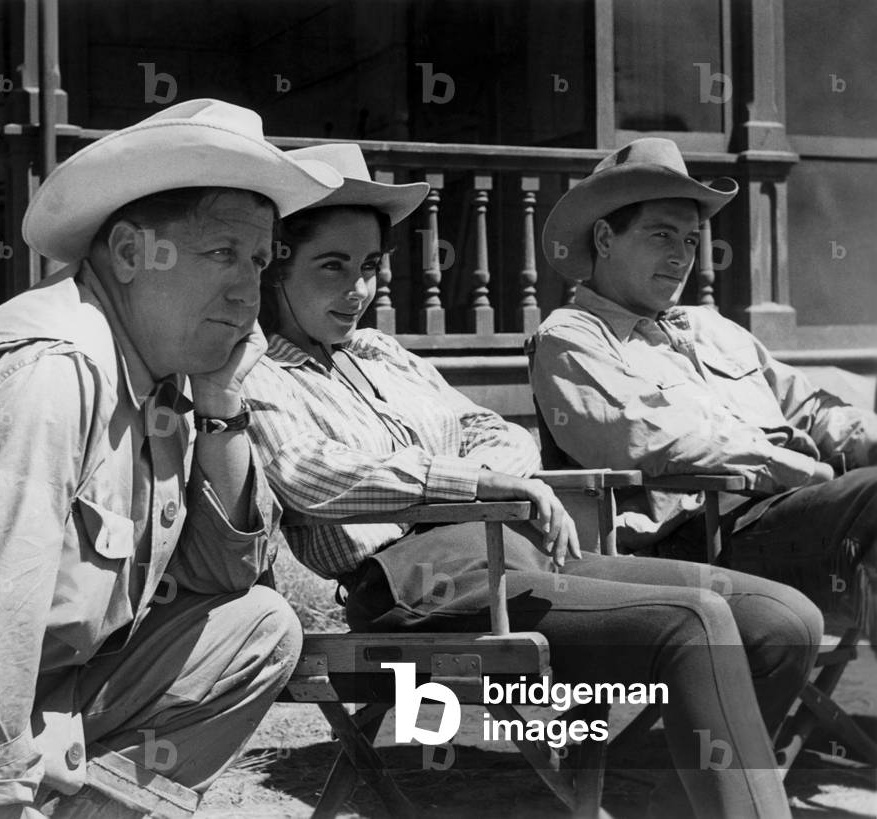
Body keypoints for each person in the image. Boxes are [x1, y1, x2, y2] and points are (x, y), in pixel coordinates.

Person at [241, 143, 823, 818]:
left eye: (369, 267)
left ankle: (681, 801)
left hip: (521, 560)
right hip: (420, 585)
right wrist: (469, 486)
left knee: (782, 619)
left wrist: (484, 477)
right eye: (333, 266)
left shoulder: (382, 352)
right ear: (277, 264)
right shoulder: (258, 372)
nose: (358, 291)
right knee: (693, 622)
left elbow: (499, 432)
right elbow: (310, 474)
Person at [0, 99, 343, 818]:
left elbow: (226, 573)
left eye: (260, 260)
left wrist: (222, 404)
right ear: (128, 253)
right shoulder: (51, 373)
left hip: (37, 702)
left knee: (260, 630)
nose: (248, 290)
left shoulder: (162, 377)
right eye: (220, 253)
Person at [528, 137, 877, 638]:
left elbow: (810, 407)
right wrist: (795, 469)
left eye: (690, 240)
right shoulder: (571, 339)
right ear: (605, 238)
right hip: (696, 547)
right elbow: (650, 440)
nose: (681, 257)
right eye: (662, 236)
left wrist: (863, 436)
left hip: (790, 522)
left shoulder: (709, 326)